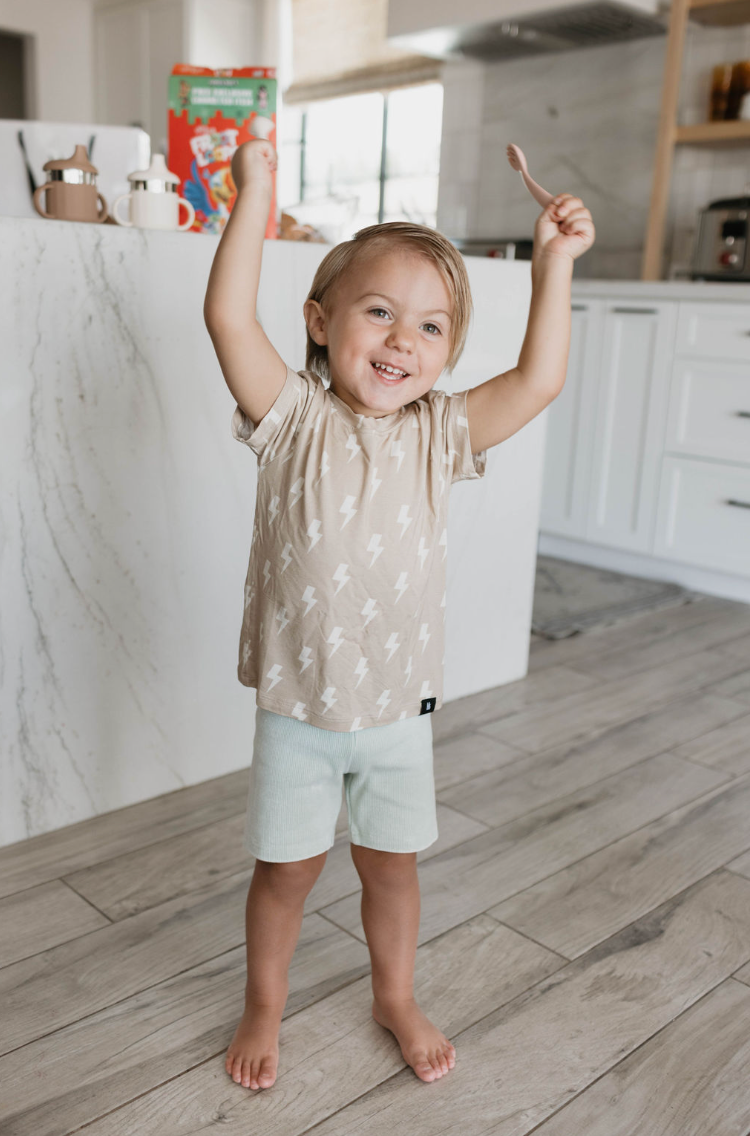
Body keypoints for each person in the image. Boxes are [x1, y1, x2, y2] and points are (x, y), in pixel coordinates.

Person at [203, 138, 595, 1092]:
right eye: (378, 312)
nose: (399, 341)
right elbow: (224, 315)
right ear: (320, 320)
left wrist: (554, 266)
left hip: (396, 714)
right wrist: (255, 196)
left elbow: (537, 382)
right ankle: (264, 1001)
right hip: (301, 709)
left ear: (448, 353)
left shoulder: (440, 433)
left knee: (393, 867)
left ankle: (395, 992)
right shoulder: (291, 415)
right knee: (287, 874)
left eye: (429, 327)